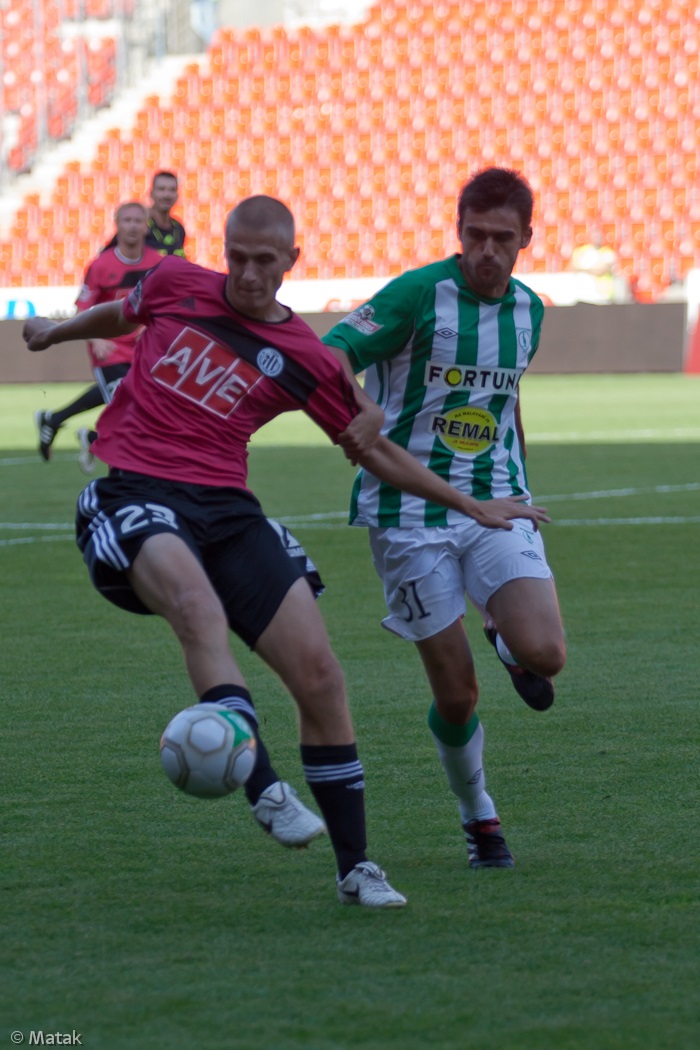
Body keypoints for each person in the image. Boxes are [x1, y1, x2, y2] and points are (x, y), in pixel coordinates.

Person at [23, 195, 549, 908]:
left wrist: (467, 503)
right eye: (237, 256)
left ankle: (357, 868)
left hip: (227, 510)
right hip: (133, 494)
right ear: (225, 248)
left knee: (322, 675)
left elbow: (378, 452)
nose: (247, 273)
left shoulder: (302, 354)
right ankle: (261, 781)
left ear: (290, 262)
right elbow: (125, 313)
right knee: (197, 604)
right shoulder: (179, 282)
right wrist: (55, 332)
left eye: (264, 261)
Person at [322, 168, 567, 870]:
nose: (487, 250)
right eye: (474, 235)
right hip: (407, 513)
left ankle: (501, 629)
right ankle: (479, 817)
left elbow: (506, 400)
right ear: (457, 231)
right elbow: (332, 352)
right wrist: (355, 412)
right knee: (458, 696)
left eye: (502, 238)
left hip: (495, 501)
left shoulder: (531, 311)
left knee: (547, 654)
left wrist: (522, 481)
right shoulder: (417, 295)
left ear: (527, 239)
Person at [34, 202, 164, 471]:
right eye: (126, 220)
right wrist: (96, 339)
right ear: (117, 224)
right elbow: (82, 307)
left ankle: (63, 424)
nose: (132, 225)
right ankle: (108, 456)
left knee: (148, 407)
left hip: (143, 348)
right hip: (110, 349)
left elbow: (164, 303)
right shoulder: (101, 265)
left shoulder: (157, 263)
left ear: (145, 226)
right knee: (131, 409)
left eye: (137, 220)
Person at [105, 170, 187, 259]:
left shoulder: (178, 228)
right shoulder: (138, 224)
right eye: (161, 189)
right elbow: (106, 258)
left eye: (172, 190)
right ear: (151, 193)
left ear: (177, 195)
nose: (166, 195)